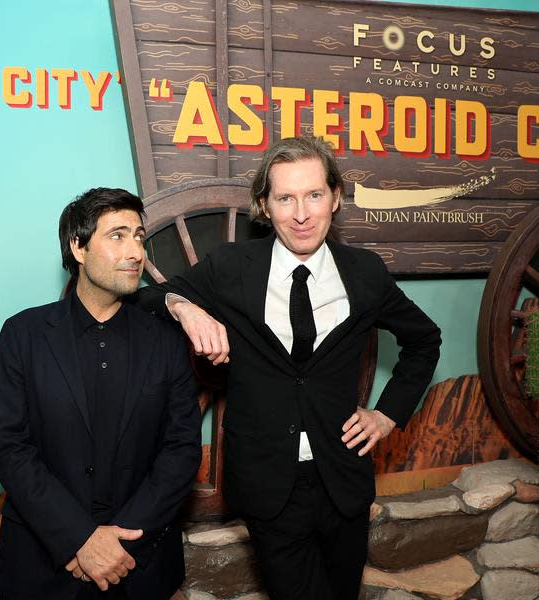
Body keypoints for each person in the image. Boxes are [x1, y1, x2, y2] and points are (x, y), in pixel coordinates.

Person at [132, 136, 442, 599]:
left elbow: (424, 340)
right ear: (264, 204)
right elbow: (145, 297)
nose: (302, 214)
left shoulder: (365, 273)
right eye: (285, 198)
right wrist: (185, 307)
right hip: (267, 485)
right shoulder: (232, 267)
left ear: (335, 198)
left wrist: (386, 413)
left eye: (314, 195)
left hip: (343, 480)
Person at [0, 187, 202, 600]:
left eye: (139, 236)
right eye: (117, 236)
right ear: (78, 248)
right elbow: (9, 447)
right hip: (43, 565)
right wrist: (79, 540)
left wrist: (117, 546)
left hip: (140, 566)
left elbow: (181, 449)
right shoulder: (23, 334)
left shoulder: (167, 340)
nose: (136, 251)